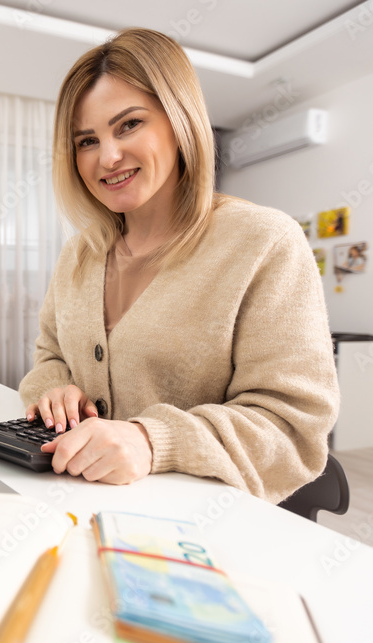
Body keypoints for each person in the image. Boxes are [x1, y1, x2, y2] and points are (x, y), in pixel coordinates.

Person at [18, 28, 340, 504]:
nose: (107, 157)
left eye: (128, 124)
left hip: (202, 527)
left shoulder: (264, 242)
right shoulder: (79, 255)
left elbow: (292, 427)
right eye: (86, 140)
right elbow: (51, 355)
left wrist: (151, 441)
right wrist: (54, 387)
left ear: (179, 121)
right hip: (78, 502)